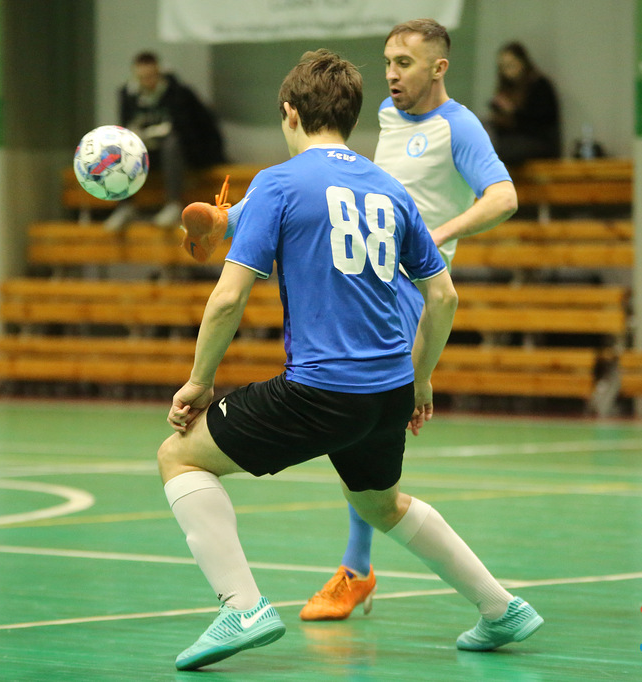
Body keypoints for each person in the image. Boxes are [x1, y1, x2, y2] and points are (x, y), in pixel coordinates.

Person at [158, 48, 542, 671]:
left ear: (289, 113)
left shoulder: (278, 182)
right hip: (389, 390)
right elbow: (443, 296)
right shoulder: (389, 188)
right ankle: (502, 608)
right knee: (379, 504)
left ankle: (243, 606)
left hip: (321, 390)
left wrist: (200, 383)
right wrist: (421, 382)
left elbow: (228, 298)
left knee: (179, 456)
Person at [104, 51, 225, 231]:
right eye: (142, 78)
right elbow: (125, 125)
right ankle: (125, 206)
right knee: (122, 146)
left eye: (151, 76)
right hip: (149, 153)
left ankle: (173, 203)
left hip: (184, 152)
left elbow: (190, 130)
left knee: (171, 144)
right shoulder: (128, 95)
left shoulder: (178, 93)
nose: (147, 81)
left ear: (158, 72)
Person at [487, 41, 561, 164]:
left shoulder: (539, 86)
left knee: (500, 150)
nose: (507, 71)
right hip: (514, 141)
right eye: (503, 67)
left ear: (522, 63)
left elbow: (540, 124)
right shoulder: (507, 89)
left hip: (539, 143)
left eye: (511, 65)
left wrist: (512, 112)